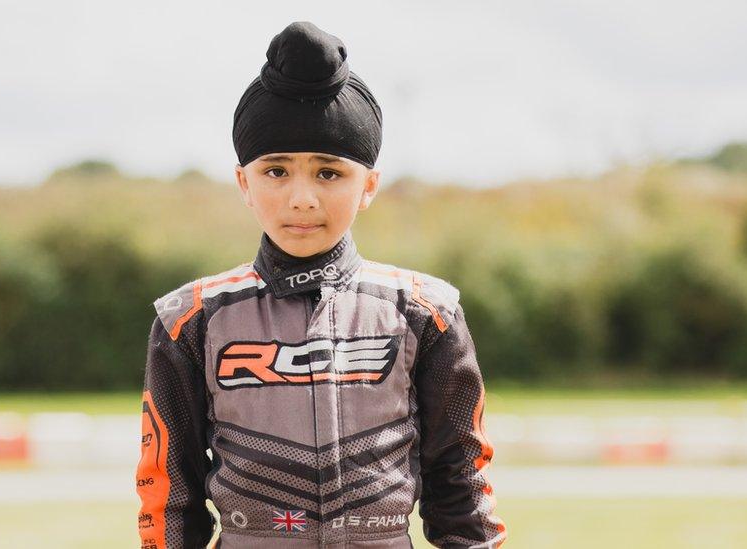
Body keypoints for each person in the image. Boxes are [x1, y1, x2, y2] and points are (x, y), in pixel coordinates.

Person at [136, 21, 507, 549]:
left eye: (329, 173)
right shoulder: (189, 319)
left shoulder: (426, 313)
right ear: (244, 182)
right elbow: (170, 497)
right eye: (276, 172)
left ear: (369, 185)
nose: (302, 198)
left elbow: (462, 489)